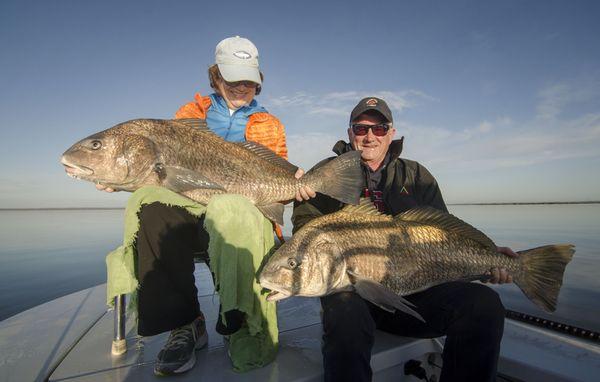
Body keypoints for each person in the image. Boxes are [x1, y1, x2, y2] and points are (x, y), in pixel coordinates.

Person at [98, 36, 311, 376]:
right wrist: (124, 178)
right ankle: (185, 324)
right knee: (146, 204)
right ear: (215, 77)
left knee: (232, 211)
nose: (241, 87)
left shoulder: (271, 125)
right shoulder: (189, 114)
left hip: (246, 212)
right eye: (232, 78)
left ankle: (240, 319)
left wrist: (296, 184)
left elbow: (277, 181)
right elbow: (164, 175)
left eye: (249, 80)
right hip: (192, 208)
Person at [292, 97, 517, 382]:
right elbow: (304, 233)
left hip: (415, 297)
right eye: (361, 129)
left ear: (391, 133)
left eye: (379, 128)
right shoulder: (325, 174)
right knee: (344, 308)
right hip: (353, 293)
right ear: (349, 132)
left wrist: (484, 258)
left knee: (485, 304)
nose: (370, 136)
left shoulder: (417, 175)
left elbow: (445, 237)